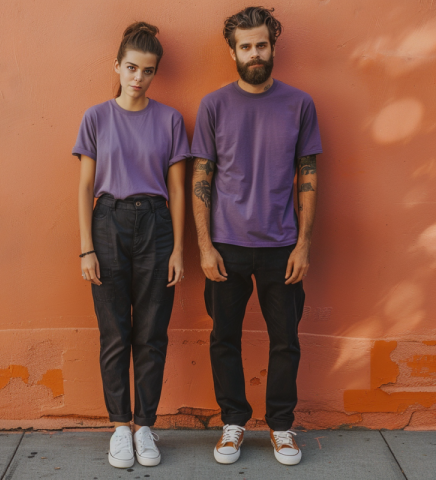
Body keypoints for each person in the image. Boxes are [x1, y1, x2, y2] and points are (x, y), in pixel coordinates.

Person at [191, 6, 322, 466]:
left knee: (285, 339)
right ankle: (233, 422)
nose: (254, 53)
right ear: (232, 51)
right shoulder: (213, 105)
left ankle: (281, 428)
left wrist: (303, 245)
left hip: (282, 245)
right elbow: (201, 178)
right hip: (226, 246)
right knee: (224, 337)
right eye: (245, 46)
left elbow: (308, 176)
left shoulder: (299, 104)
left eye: (261, 44)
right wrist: (205, 247)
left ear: (273, 45)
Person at [73, 22, 189, 469]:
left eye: (148, 70)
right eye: (131, 68)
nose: (138, 78)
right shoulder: (96, 117)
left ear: (156, 73)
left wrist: (179, 249)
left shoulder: (170, 119)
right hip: (108, 223)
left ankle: (145, 427)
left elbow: (177, 190)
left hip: (157, 226)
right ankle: (120, 427)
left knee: (152, 333)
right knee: (115, 332)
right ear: (117, 67)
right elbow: (85, 187)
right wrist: (86, 248)